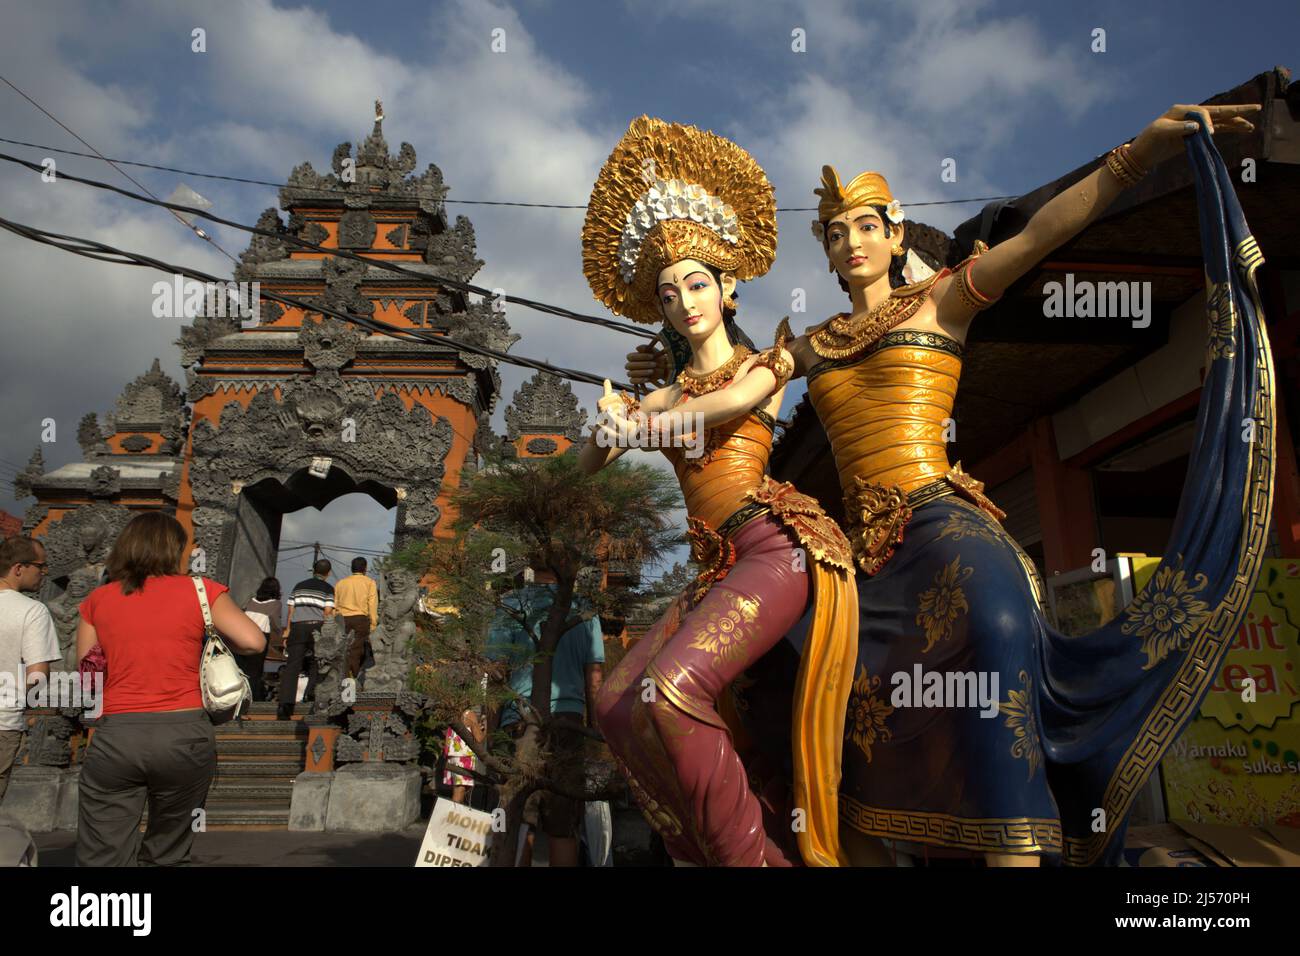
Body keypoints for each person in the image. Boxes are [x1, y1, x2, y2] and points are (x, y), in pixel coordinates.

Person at [628, 102, 1269, 866]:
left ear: (896, 235)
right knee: (829, 729)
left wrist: (1139, 154)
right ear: (827, 259)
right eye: (836, 234)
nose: (852, 241)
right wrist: (656, 397)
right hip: (859, 563)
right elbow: (730, 390)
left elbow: (1040, 235)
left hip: (947, 532)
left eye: (867, 225)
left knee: (996, 648)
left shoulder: (945, 300)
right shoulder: (809, 346)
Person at [578, 117, 859, 867]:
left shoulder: (763, 367)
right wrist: (607, 424)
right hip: (713, 569)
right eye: (668, 293)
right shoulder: (663, 395)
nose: (683, 300)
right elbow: (588, 463)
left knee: (669, 690)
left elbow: (715, 414)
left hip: (774, 552)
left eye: (696, 283)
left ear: (727, 289)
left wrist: (639, 426)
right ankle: (702, 848)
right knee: (614, 704)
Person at [74, 512, 265, 866]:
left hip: (117, 734)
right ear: (176, 549)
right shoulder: (200, 590)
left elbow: (87, 669)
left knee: (103, 852)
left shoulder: (98, 600)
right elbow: (253, 641)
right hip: (184, 733)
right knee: (169, 850)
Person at [487, 575, 605, 868]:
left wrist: (490, 734)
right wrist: (595, 732)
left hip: (520, 721)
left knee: (519, 820)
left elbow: (496, 673)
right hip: (569, 723)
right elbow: (594, 678)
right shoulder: (585, 609)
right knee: (563, 824)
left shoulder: (512, 604)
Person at [0, 536, 61, 803]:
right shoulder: (32, 611)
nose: (44, 573)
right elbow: (37, 674)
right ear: (18, 568)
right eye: (41, 566)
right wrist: (17, 703)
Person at [277, 559, 334, 720]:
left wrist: (288, 630)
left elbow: (291, 610)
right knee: (317, 662)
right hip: (317, 627)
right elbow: (328, 612)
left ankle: (285, 704)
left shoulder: (299, 586)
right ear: (328, 573)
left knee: (292, 665)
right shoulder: (329, 589)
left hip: (298, 626)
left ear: (313, 570)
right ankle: (309, 695)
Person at [334, 557, 378, 680]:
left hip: (342, 620)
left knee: (342, 649)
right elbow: (372, 604)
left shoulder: (340, 583)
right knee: (356, 649)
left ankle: (340, 677)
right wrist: (373, 624)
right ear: (365, 568)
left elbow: (335, 605)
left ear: (351, 568)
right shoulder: (369, 582)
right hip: (360, 619)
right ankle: (351, 678)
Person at [241, 577, 282, 702]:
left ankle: (240, 695)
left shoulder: (251, 601)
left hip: (243, 634)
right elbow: (275, 623)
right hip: (260, 636)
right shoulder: (275, 604)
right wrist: (282, 634)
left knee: (242, 668)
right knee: (256, 670)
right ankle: (254, 697)